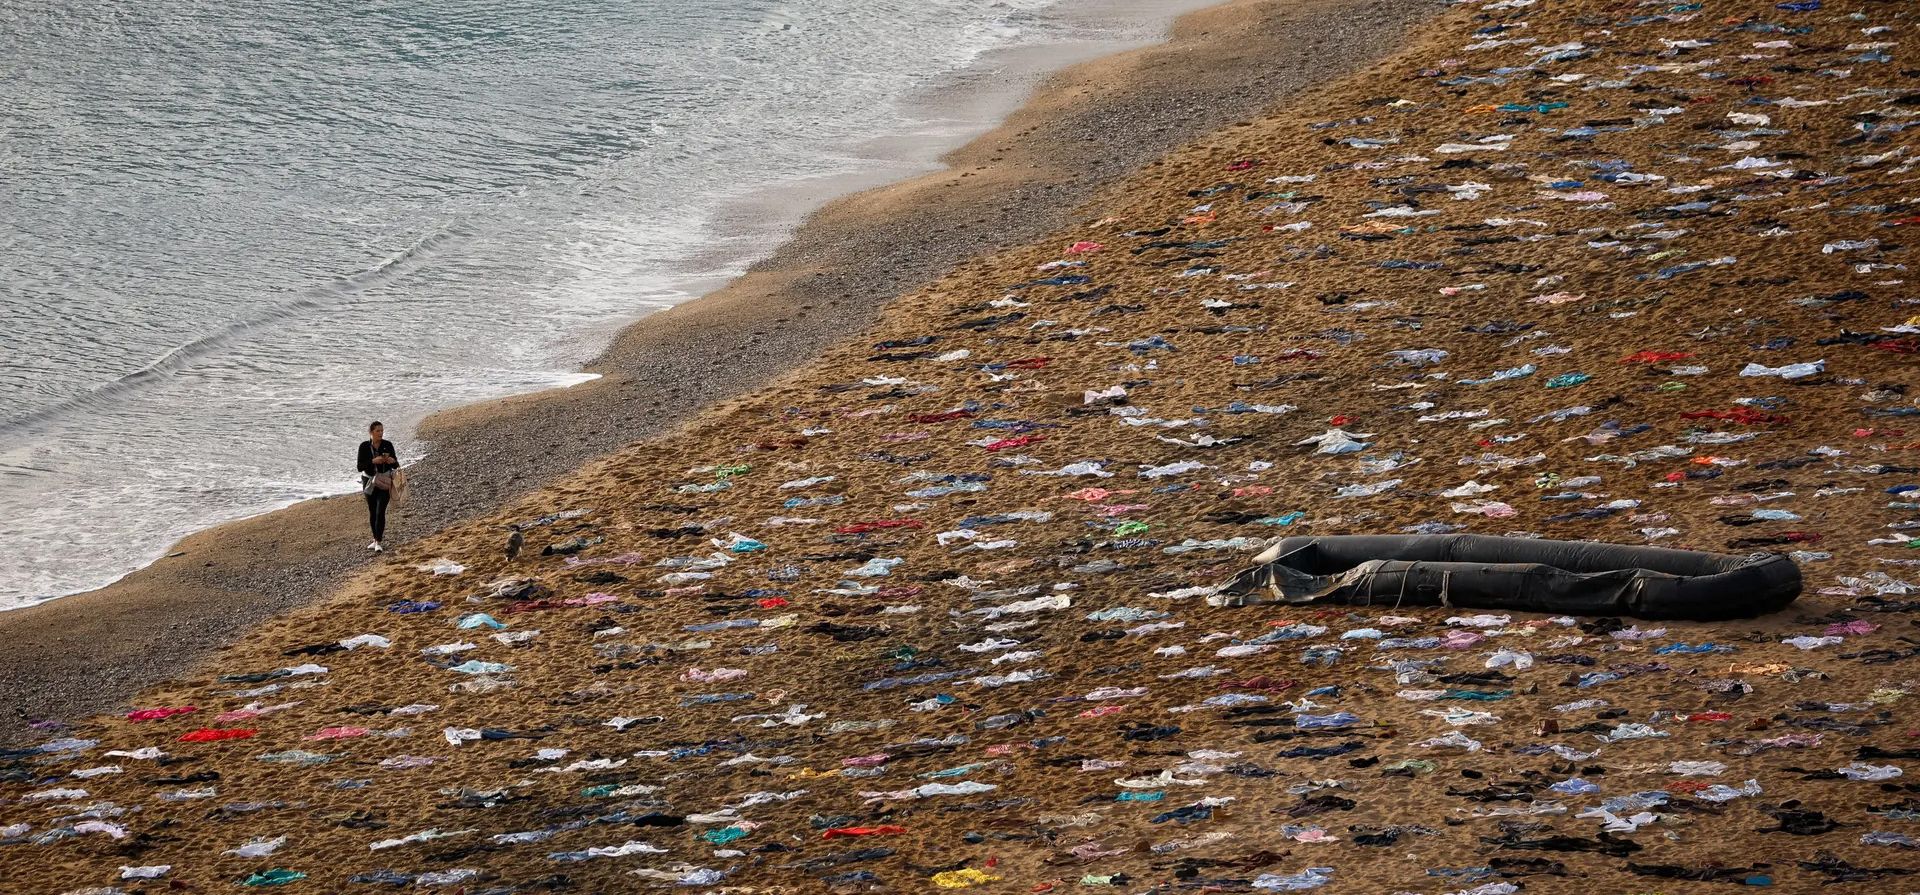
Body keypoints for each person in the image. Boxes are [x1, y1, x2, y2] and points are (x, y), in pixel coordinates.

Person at [356, 421, 401, 552]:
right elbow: (359, 467)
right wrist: (372, 461)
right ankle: (375, 539)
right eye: (378, 431)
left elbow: (396, 465)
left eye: (382, 431)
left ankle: (378, 541)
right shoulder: (364, 446)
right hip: (369, 481)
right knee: (372, 510)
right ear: (371, 432)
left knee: (380, 510)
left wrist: (392, 461)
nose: (381, 433)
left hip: (385, 480)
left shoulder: (387, 445)